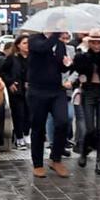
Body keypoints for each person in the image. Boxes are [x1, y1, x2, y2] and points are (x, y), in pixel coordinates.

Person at [27, 32, 72, 178]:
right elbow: (43, 48)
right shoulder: (35, 40)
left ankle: (56, 159)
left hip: (56, 90)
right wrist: (55, 34)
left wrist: (66, 65)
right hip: (37, 90)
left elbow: (60, 67)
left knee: (63, 121)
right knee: (38, 128)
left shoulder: (60, 44)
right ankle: (38, 164)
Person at [73, 28, 100, 175]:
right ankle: (84, 151)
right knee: (90, 128)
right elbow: (80, 68)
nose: (97, 45)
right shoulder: (83, 55)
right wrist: (85, 50)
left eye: (99, 43)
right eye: (93, 42)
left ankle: (99, 160)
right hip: (88, 92)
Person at [0, 34, 30, 150]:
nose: (27, 46)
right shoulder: (12, 58)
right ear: (18, 45)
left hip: (30, 91)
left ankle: (26, 134)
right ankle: (19, 138)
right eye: (25, 43)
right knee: (19, 114)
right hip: (16, 91)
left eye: (28, 43)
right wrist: (10, 82)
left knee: (29, 114)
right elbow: (2, 72)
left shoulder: (32, 58)